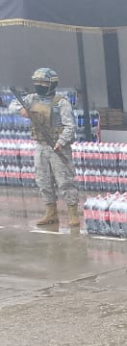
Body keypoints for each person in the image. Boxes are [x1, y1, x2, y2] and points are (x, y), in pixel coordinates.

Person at [17, 67, 80, 228]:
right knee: (43, 179)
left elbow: (70, 126)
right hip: (40, 146)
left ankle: (73, 213)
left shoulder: (61, 103)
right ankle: (51, 212)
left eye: (43, 83)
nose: (39, 86)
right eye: (36, 82)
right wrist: (21, 110)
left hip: (58, 147)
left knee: (64, 180)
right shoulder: (32, 98)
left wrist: (61, 141)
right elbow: (14, 103)